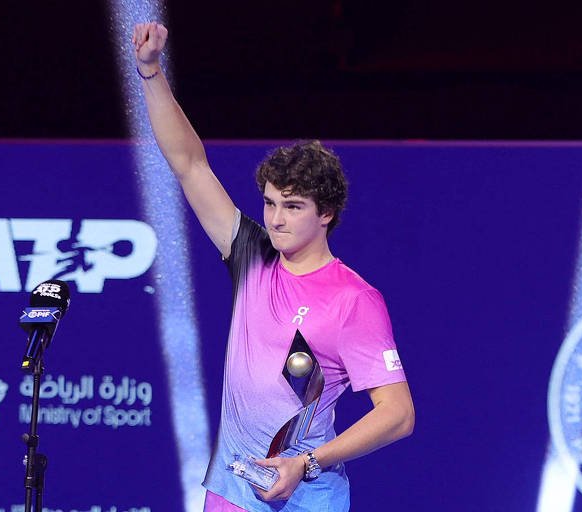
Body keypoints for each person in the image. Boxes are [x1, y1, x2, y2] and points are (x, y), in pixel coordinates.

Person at [132, 21, 414, 512]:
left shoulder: (353, 300)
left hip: (306, 498)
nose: (276, 220)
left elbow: (398, 414)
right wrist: (151, 73)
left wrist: (306, 463)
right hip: (231, 493)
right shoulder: (252, 255)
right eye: (269, 203)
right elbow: (189, 164)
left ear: (326, 212)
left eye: (293, 206)